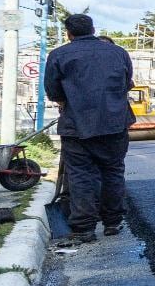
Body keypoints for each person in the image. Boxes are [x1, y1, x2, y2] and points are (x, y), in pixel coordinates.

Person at [44, 14, 136, 243]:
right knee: (113, 170)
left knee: (80, 176)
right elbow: (126, 83)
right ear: (93, 29)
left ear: (69, 33)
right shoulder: (119, 53)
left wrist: (66, 101)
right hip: (114, 124)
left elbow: (53, 91)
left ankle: (84, 228)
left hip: (76, 125)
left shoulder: (58, 55)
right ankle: (112, 222)